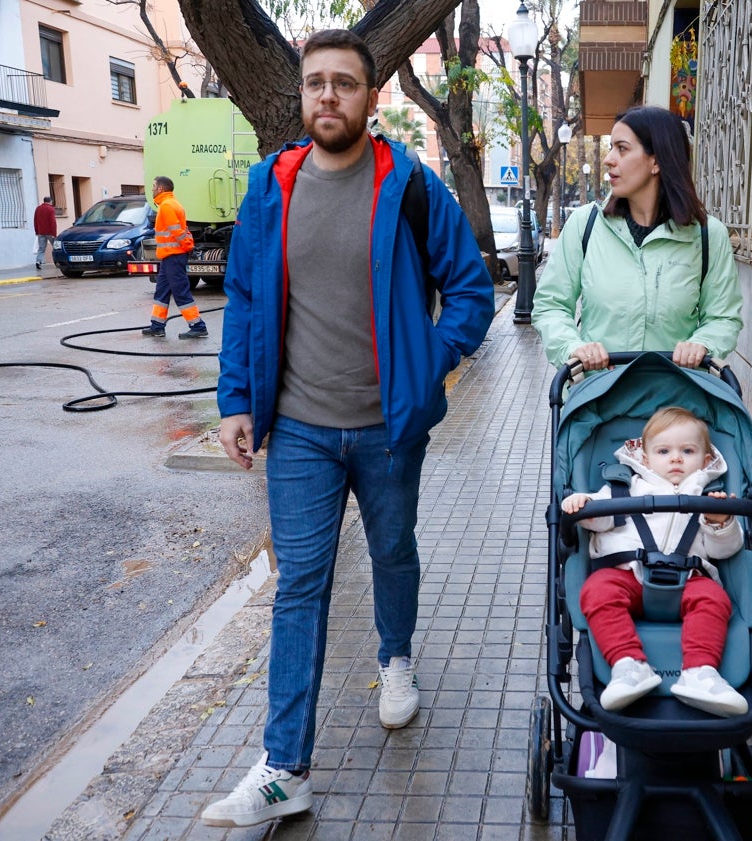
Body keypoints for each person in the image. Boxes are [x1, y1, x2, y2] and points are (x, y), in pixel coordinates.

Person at [203, 29, 493, 828]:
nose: (327, 95)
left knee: (393, 549)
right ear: (301, 96)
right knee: (299, 586)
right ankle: (285, 767)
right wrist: (235, 401)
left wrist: (425, 366)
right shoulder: (272, 185)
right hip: (297, 428)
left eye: (344, 83)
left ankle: (395, 659)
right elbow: (247, 301)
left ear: (372, 96)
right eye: (314, 83)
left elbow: (471, 291)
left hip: (387, 428)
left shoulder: (409, 186)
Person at [563, 406, 749, 718]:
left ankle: (701, 673)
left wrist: (721, 523)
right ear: (646, 459)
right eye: (664, 451)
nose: (676, 458)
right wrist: (585, 504)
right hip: (626, 577)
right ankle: (629, 665)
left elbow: (723, 551)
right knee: (596, 590)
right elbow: (599, 520)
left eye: (687, 451)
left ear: (705, 460)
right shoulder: (625, 488)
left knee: (715, 598)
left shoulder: (710, 496)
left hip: (687, 581)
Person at [532, 105, 742, 371]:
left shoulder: (706, 235)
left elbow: (723, 317)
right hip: (598, 399)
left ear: (656, 160)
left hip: (674, 400)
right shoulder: (585, 225)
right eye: (610, 148)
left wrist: (702, 344)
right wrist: (573, 347)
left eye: (622, 148)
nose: (608, 159)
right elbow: (550, 305)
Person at [142, 176, 207, 339]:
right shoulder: (173, 204)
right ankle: (157, 325)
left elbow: (177, 232)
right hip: (169, 256)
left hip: (174, 256)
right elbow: (182, 230)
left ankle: (197, 326)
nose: (152, 189)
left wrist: (188, 247)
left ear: (161, 189)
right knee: (162, 290)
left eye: (153, 186)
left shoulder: (166, 206)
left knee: (180, 291)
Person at [33, 196, 56, 270]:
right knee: (56, 247)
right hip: (50, 232)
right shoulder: (51, 209)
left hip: (41, 232)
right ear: (50, 201)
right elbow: (53, 222)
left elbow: (35, 220)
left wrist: (36, 231)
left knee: (41, 248)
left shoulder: (38, 208)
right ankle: (57, 261)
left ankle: (38, 261)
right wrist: (54, 233)